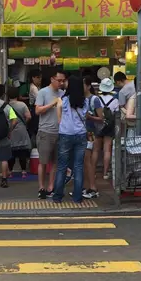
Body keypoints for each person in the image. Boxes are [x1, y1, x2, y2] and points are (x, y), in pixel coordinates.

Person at [53, 75, 88, 204]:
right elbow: (85, 116)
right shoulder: (85, 101)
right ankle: (77, 197)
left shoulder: (63, 100)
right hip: (81, 134)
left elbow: (59, 119)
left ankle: (57, 196)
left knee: (62, 166)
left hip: (65, 134)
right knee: (78, 166)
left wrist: (64, 124)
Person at [35, 67, 66, 198]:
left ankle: (51, 186)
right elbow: (37, 111)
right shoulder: (43, 92)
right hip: (45, 131)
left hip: (60, 131)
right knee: (43, 161)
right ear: (52, 79)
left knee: (55, 162)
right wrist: (52, 104)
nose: (61, 83)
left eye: (63, 81)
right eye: (59, 80)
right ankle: (41, 187)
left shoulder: (63, 93)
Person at [83, 75, 103, 198]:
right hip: (82, 132)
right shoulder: (80, 99)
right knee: (85, 161)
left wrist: (89, 117)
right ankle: (87, 187)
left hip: (91, 133)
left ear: (88, 86)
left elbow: (101, 118)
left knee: (88, 160)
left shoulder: (94, 99)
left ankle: (92, 188)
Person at [97, 77, 119, 181]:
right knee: (107, 150)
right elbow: (117, 114)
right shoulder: (115, 101)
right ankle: (105, 173)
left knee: (95, 150)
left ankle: (93, 172)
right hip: (109, 127)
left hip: (98, 125)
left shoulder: (97, 99)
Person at [7, 86, 32, 177]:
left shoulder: (6, 106)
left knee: (11, 152)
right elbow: (28, 116)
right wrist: (24, 123)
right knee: (22, 151)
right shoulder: (22, 105)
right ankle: (23, 171)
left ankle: (10, 171)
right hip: (21, 129)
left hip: (11, 130)